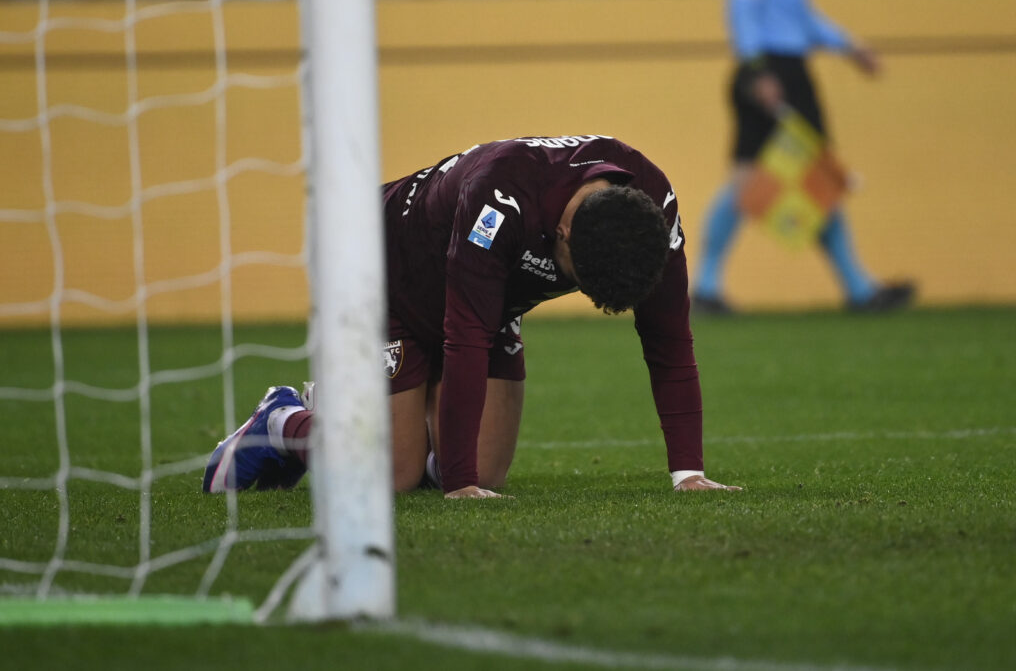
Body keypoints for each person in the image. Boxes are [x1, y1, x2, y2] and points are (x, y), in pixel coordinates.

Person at [203, 135, 741, 498]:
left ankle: (398, 421)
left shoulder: (650, 215)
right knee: (396, 473)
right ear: (565, 233)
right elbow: (463, 338)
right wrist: (459, 485)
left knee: (488, 473)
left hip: (488, 294)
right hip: (386, 269)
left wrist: (688, 473)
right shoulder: (501, 197)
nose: (573, 288)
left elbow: (670, 344)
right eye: (575, 276)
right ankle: (280, 421)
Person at [692, 0, 915, 314]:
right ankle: (859, 289)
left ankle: (706, 287)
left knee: (799, 179)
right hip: (771, 73)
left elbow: (799, 18)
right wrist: (759, 71)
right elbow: (743, 7)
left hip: (783, 71)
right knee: (802, 177)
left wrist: (849, 46)